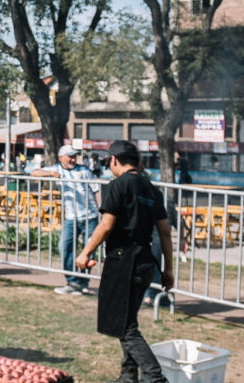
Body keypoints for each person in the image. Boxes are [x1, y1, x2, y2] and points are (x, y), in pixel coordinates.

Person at [76, 140, 174, 383]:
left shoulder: (119, 185)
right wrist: (168, 270)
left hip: (123, 261)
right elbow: (165, 232)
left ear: (114, 160)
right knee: (127, 320)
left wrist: (85, 252)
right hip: (145, 262)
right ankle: (128, 376)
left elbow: (106, 225)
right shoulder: (152, 190)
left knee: (125, 326)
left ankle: (155, 378)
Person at [32, 145, 100, 295]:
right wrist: (50, 174)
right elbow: (33, 172)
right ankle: (71, 281)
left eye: (74, 156)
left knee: (89, 251)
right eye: (69, 156)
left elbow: (96, 190)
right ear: (61, 157)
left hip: (90, 216)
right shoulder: (57, 168)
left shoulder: (85, 171)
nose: (73, 159)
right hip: (71, 217)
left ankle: (82, 282)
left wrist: (101, 211)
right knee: (64, 247)